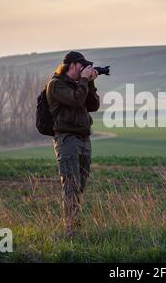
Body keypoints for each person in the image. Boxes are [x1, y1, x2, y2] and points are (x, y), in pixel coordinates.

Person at [46, 51, 100, 236]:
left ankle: (74, 226)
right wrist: (84, 82)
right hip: (67, 139)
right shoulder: (56, 85)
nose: (84, 69)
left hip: (84, 139)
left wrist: (90, 82)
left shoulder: (80, 85)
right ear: (72, 66)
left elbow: (93, 106)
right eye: (82, 66)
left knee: (80, 186)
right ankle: (71, 231)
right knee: (71, 185)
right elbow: (77, 100)